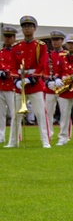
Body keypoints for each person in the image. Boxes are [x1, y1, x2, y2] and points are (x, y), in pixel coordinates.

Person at [7, 16, 51, 148]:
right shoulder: (16, 47)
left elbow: (43, 64)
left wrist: (31, 78)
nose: (27, 28)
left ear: (35, 28)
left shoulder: (40, 46)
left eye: (30, 26)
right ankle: (13, 141)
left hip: (35, 82)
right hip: (20, 82)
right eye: (25, 26)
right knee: (15, 115)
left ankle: (45, 140)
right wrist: (16, 80)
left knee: (40, 113)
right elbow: (12, 65)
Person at [43, 29, 67, 138]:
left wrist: (60, 79)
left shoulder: (66, 54)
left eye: (57, 40)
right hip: (50, 87)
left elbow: (68, 69)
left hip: (62, 86)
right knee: (48, 111)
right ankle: (49, 133)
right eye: (53, 40)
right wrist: (48, 81)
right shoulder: (48, 55)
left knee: (64, 112)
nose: (55, 42)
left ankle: (64, 134)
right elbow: (44, 70)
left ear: (62, 41)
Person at [0, 24, 19, 146]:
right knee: (0, 113)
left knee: (14, 113)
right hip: (1, 85)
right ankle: (1, 135)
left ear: (14, 38)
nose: (7, 39)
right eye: (6, 36)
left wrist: (6, 72)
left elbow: (17, 68)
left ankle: (16, 135)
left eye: (10, 36)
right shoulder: (1, 52)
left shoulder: (17, 52)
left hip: (12, 85)